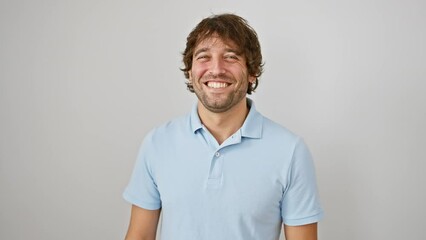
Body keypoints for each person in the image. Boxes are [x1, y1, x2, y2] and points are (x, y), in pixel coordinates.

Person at [123, 13, 323, 240]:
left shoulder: (291, 151)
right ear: (190, 71)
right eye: (204, 57)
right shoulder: (157, 143)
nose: (216, 69)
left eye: (231, 57)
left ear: (252, 72)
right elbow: (139, 236)